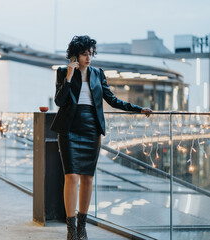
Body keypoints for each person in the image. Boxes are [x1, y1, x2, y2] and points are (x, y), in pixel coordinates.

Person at [50, 35, 152, 240]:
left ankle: (82, 226)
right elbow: (60, 101)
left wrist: (138, 109)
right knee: (71, 177)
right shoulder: (63, 72)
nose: (88, 57)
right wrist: (69, 75)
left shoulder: (98, 74)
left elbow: (112, 100)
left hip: (91, 129)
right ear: (75, 56)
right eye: (84, 54)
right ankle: (71, 229)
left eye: (90, 54)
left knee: (87, 178)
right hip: (69, 128)